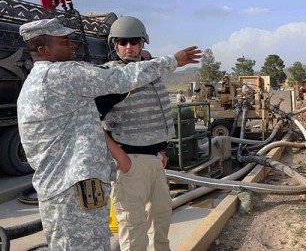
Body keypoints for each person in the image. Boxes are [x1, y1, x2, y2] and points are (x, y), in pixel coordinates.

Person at [16, 17, 201, 250]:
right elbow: (120, 81)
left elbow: (88, 121)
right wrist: (173, 60)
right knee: (124, 233)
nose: (73, 44)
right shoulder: (62, 75)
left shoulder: (42, 79)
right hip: (76, 185)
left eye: (134, 41)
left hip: (71, 184)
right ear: (43, 49)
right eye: (64, 41)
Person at [101, 16, 179, 251]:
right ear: (114, 45)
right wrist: (121, 159)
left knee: (161, 224)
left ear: (143, 43)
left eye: (133, 41)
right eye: (122, 42)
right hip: (130, 163)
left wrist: (160, 151)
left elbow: (158, 113)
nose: (128, 47)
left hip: (155, 161)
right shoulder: (110, 77)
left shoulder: (149, 73)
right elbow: (91, 121)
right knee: (134, 235)